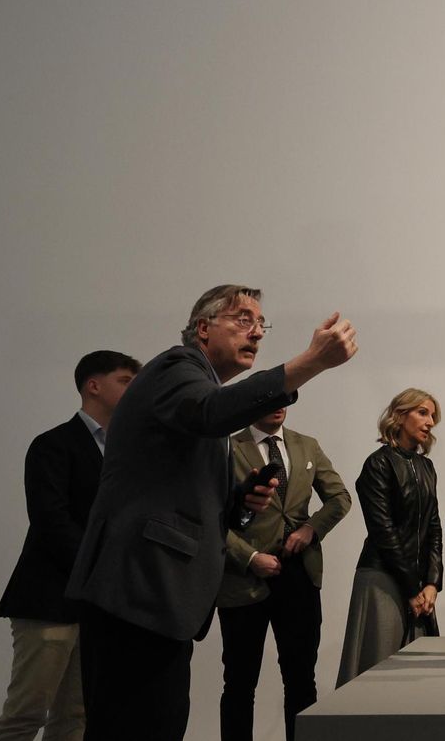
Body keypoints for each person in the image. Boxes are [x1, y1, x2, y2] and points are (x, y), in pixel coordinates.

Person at [65, 285, 359, 741]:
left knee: (158, 726)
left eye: (262, 325)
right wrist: (311, 362)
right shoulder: (176, 368)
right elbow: (210, 411)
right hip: (137, 590)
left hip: (159, 599)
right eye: (243, 320)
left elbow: (204, 507)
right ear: (203, 328)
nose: (257, 333)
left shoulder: (199, 400)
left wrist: (241, 503)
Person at [0, 349, 139, 741]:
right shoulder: (53, 445)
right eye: (126, 380)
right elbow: (50, 521)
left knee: (76, 715)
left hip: (97, 605)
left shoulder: (128, 452)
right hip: (49, 599)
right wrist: (101, 570)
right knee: (26, 713)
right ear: (94, 385)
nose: (135, 389)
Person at [215, 404, 352, 741]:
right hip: (243, 577)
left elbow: (339, 498)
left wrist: (310, 530)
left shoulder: (307, 445)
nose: (278, 406)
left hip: (299, 574)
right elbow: (210, 517)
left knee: (301, 677)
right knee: (239, 681)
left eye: (285, 399)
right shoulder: (228, 448)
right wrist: (249, 557)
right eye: (268, 399)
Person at [335, 388, 443, 686]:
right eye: (422, 412)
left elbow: (434, 526)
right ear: (400, 415)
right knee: (376, 674)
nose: (430, 421)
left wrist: (433, 582)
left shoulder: (426, 466)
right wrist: (413, 588)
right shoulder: (378, 463)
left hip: (418, 585)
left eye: (432, 415)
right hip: (382, 577)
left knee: (418, 679)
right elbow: (383, 531)